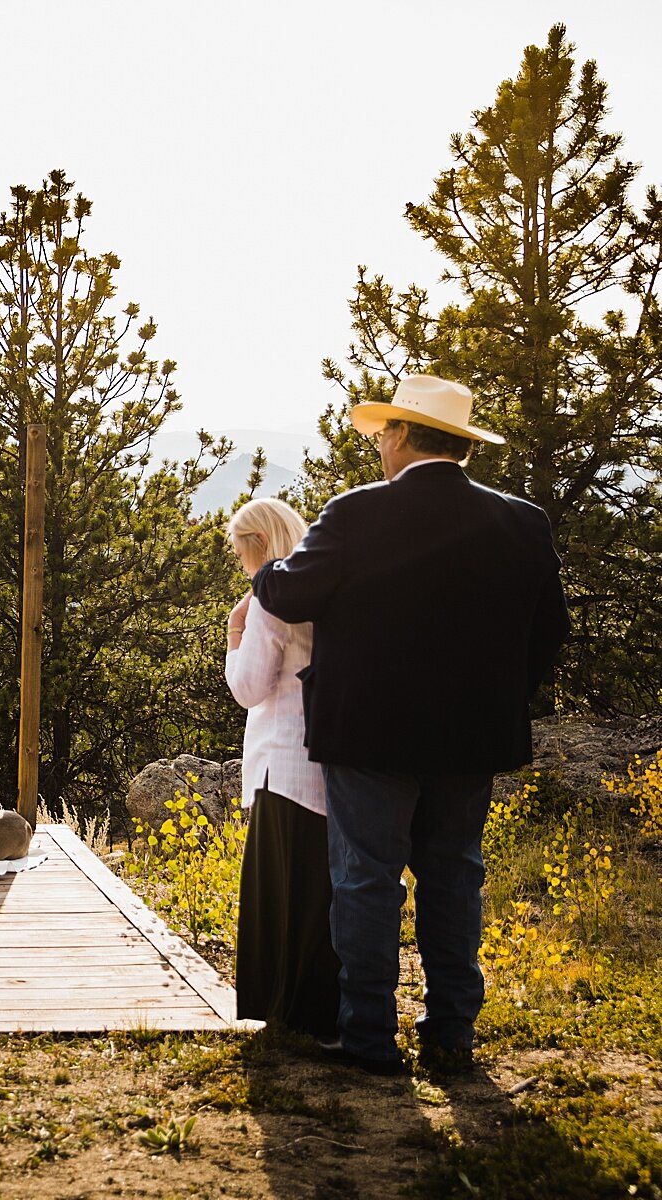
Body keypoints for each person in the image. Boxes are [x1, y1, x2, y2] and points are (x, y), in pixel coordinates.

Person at [251, 374, 568, 1075]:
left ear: (399, 435)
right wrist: (500, 695)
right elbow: (551, 628)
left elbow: (291, 592)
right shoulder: (521, 521)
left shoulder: (356, 513)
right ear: (463, 446)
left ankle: (368, 1038)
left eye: (382, 434)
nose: (380, 446)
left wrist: (266, 567)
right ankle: (452, 1032)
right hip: (472, 739)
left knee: (366, 879)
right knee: (454, 876)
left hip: (367, 736)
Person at [224, 498, 339, 1040]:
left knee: (278, 890)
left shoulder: (270, 599)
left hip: (279, 762)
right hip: (323, 763)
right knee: (317, 890)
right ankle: (318, 1004)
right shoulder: (323, 590)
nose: (242, 567)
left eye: (242, 553)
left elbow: (250, 689)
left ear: (260, 546)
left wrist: (233, 635)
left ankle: (282, 1008)